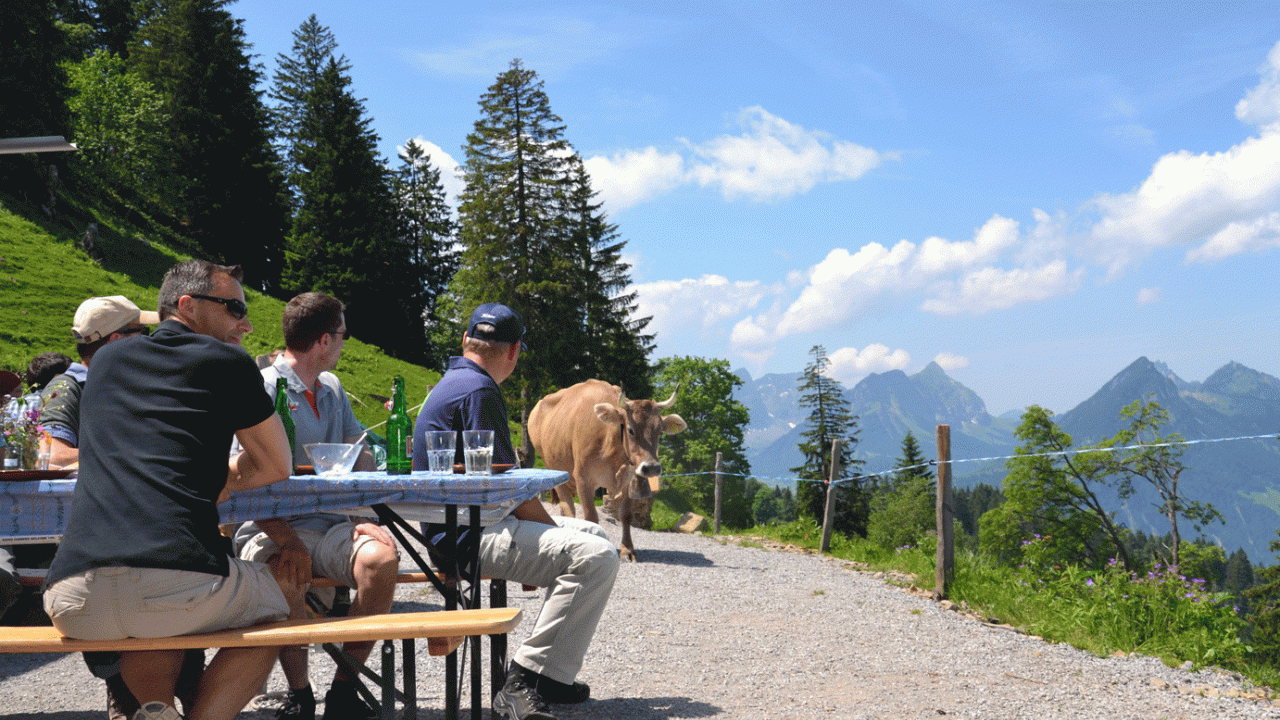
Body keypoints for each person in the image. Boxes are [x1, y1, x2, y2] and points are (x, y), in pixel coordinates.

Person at [42, 260, 305, 720]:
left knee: (152, 612)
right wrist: (226, 479)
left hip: (72, 595)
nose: (245, 323)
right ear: (187, 305)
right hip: (175, 580)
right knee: (280, 602)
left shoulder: (105, 361)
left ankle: (156, 709)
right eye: (234, 308)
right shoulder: (227, 362)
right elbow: (276, 463)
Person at [413, 303, 619, 720]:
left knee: (594, 535)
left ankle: (552, 675)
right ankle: (523, 680)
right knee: (595, 556)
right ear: (513, 351)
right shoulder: (480, 391)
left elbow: (501, 486)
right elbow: (511, 490)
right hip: (465, 534)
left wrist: (549, 536)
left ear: (466, 341)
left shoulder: (456, 381)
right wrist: (548, 534)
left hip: (459, 525)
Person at [233, 292, 398, 720]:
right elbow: (239, 479)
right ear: (324, 341)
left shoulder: (332, 388)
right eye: (343, 335)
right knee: (285, 570)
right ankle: (300, 694)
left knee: (382, 560)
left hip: (331, 524)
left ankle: (343, 691)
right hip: (271, 526)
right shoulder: (260, 387)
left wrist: (363, 513)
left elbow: (356, 454)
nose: (344, 344)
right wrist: (288, 540)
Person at [39, 296, 159, 469]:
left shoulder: (127, 388)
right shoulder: (65, 389)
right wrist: (133, 452)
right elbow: (53, 456)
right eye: (143, 332)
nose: (149, 341)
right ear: (117, 339)